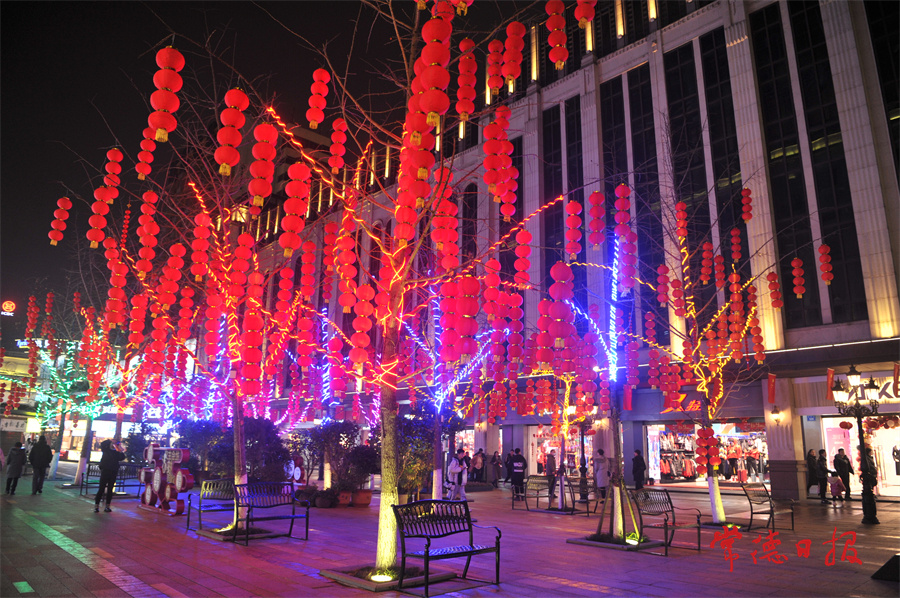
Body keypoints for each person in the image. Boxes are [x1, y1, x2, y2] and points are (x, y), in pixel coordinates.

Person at [94, 439, 126, 512]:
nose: (112, 445)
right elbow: (102, 444)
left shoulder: (116, 452)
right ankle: (96, 506)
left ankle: (107, 506)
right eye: (111, 444)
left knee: (110, 490)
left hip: (113, 472)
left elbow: (122, 457)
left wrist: (119, 447)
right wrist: (110, 441)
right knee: (101, 489)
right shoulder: (106, 450)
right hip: (105, 471)